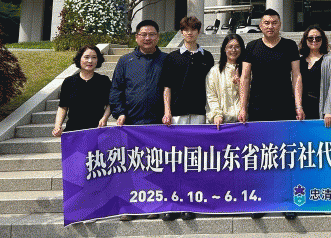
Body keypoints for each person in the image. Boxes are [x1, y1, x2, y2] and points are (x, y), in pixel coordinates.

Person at [237, 8, 303, 220]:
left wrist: (298, 105)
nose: (270, 26)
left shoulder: (289, 46)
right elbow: (245, 78)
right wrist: (243, 107)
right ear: (260, 25)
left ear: (280, 24)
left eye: (274, 22)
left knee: (285, 155)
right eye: (266, 23)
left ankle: (287, 201)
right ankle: (260, 200)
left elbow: (297, 76)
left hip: (284, 106)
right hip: (258, 108)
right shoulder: (252, 47)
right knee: (259, 155)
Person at [109, 19, 168, 222]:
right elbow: (116, 90)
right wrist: (119, 113)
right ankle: (128, 207)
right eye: (143, 34)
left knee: (155, 166)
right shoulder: (126, 61)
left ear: (158, 37)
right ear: (136, 37)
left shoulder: (166, 60)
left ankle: (153, 205)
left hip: (158, 122)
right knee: (130, 166)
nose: (147, 38)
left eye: (152, 34)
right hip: (131, 123)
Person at [160, 16, 215, 222]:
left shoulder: (207, 57)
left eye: (193, 29)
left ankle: (190, 203)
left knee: (195, 159)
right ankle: (172, 203)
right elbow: (167, 87)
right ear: (181, 32)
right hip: (178, 114)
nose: (189, 33)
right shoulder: (172, 58)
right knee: (175, 159)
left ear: (198, 31)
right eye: (185, 29)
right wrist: (167, 111)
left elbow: (212, 85)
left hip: (199, 114)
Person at [53, 45, 111, 136]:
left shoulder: (104, 81)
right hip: (73, 132)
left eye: (94, 57)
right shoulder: (69, 82)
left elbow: (110, 104)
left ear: (98, 60)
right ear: (79, 59)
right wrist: (57, 126)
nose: (90, 61)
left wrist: (104, 118)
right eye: (86, 57)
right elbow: (63, 107)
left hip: (97, 131)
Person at [298, 24, 331, 127]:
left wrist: (328, 111)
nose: (314, 40)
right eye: (310, 38)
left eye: (318, 38)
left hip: (321, 107)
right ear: (305, 40)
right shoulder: (299, 61)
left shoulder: (329, 60)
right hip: (303, 108)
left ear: (323, 40)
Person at [206, 34, 244, 128]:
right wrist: (217, 115)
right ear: (224, 49)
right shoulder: (215, 71)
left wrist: (240, 84)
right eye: (230, 47)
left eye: (237, 47)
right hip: (222, 123)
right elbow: (211, 95)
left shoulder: (246, 71)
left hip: (242, 122)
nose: (233, 50)